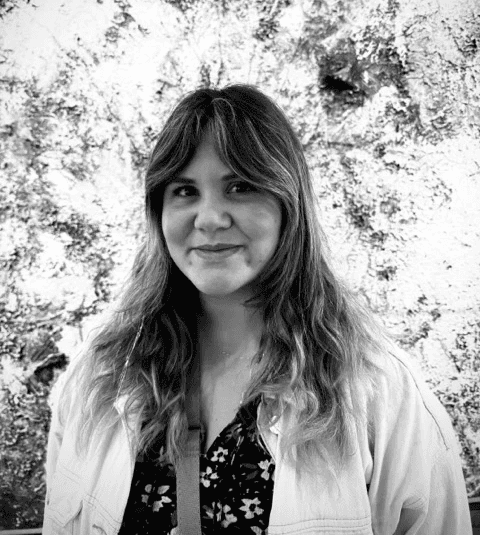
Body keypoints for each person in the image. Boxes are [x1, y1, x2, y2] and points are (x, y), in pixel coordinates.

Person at [43, 84, 472, 535]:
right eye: (185, 190)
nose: (210, 218)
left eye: (240, 186)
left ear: (288, 204)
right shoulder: (100, 376)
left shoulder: (377, 390)